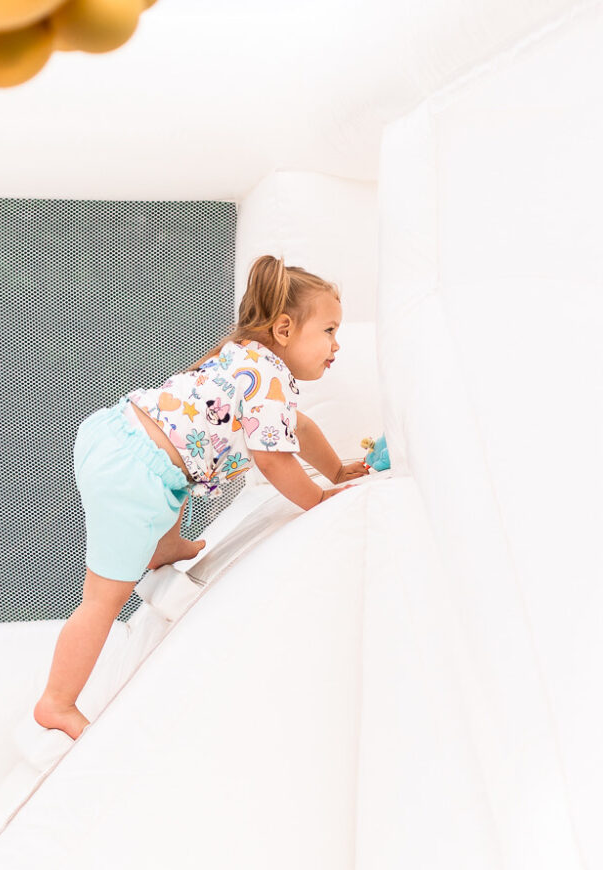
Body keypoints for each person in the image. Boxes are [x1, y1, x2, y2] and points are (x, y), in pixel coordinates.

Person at [33, 255, 369, 739]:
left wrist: (335, 467)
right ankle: (57, 702)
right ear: (284, 329)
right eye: (330, 331)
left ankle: (165, 546)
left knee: (180, 475)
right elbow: (273, 459)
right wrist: (318, 499)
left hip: (120, 435)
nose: (336, 346)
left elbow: (297, 426)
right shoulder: (269, 377)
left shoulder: (245, 356)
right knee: (102, 601)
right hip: (131, 471)